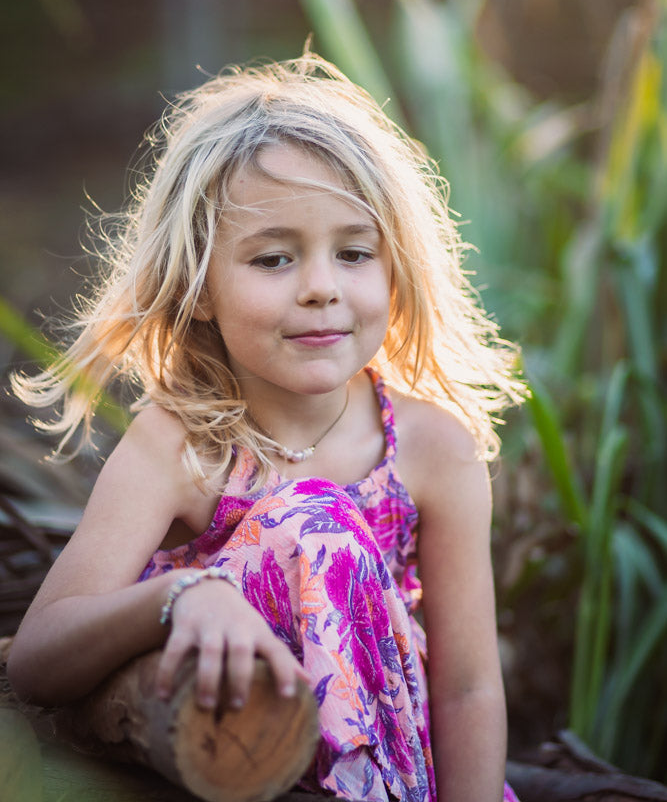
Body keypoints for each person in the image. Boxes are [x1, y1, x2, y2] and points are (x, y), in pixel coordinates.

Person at [8, 53, 525, 802]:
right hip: (235, 768)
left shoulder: (431, 449)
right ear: (201, 287)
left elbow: (469, 688)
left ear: (394, 270)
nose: (320, 288)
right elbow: (37, 658)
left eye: (353, 253)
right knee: (311, 520)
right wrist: (187, 591)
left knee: (321, 520)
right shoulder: (181, 447)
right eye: (274, 258)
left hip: (403, 778)